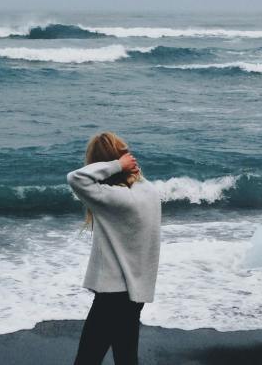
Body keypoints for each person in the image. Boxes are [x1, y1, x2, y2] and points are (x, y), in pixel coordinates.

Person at [67, 131, 162, 365]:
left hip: (112, 295)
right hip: (135, 294)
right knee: (127, 358)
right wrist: (125, 166)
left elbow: (76, 178)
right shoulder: (148, 192)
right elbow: (136, 179)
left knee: (87, 360)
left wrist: (116, 164)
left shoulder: (115, 199)